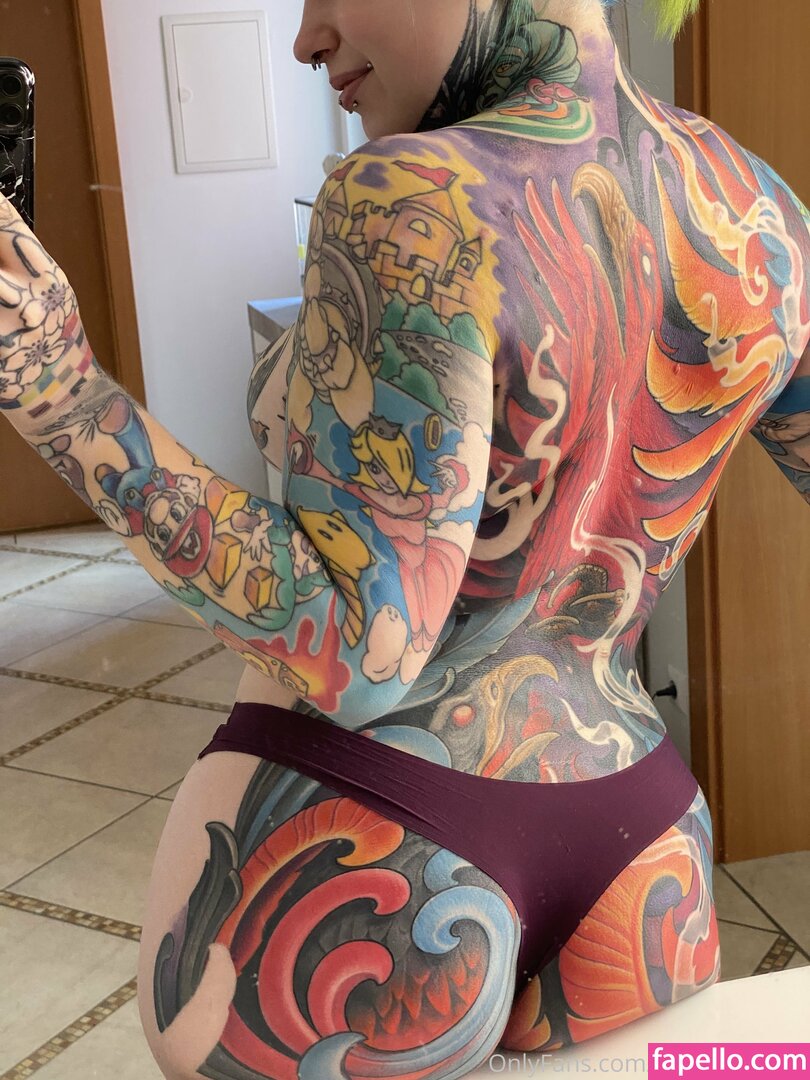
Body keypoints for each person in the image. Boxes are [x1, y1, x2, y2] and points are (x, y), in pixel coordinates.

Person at [1, 0, 809, 1075]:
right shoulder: (755, 203)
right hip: (645, 837)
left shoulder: (409, 194)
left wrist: (62, 394)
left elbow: (357, 647)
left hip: (379, 837)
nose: (307, 35)